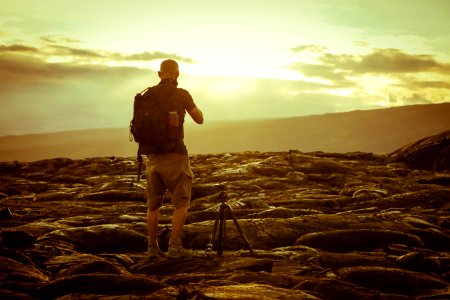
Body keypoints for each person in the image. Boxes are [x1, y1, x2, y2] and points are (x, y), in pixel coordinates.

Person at [145, 59, 204, 259]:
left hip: (152, 157)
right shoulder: (181, 94)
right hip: (176, 155)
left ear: (158, 74)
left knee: (153, 206)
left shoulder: (147, 95)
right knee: (181, 203)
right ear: (177, 75)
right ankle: (174, 247)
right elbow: (199, 118)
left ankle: (152, 248)